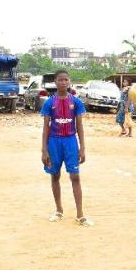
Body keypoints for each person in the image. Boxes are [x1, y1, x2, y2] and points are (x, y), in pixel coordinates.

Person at [40, 70, 91, 226]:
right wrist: (44, 150)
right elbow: (46, 127)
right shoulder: (49, 103)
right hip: (54, 142)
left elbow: (79, 126)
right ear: (55, 82)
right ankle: (59, 210)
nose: (63, 82)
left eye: (65, 80)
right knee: (55, 176)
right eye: (60, 80)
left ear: (69, 81)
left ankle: (80, 215)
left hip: (70, 142)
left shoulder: (76, 102)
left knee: (75, 177)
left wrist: (82, 148)